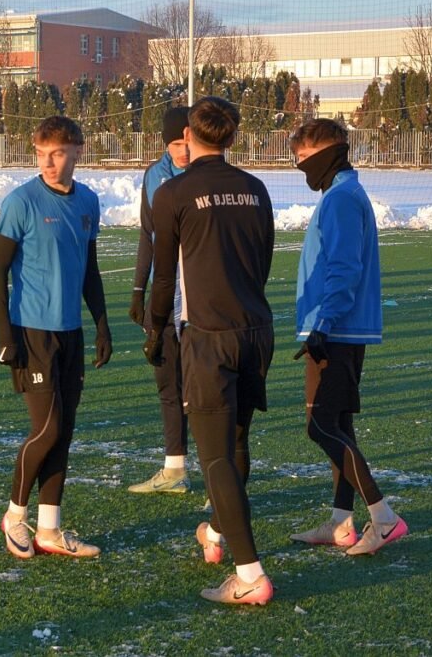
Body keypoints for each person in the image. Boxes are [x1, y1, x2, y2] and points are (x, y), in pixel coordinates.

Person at [144, 96, 274, 605]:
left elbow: (163, 278)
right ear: (232, 137)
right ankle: (217, 533)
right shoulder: (256, 188)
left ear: (188, 136)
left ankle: (250, 575)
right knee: (237, 441)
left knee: (215, 455)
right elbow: (262, 261)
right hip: (256, 330)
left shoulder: (173, 192)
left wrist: (156, 330)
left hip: (208, 336)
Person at [0, 115, 112, 559]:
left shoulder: (88, 202)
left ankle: (49, 529)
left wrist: (101, 324)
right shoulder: (21, 202)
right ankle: (14, 516)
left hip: (70, 332)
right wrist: (6, 335)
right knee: (47, 428)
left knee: (65, 432)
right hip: (32, 332)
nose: (48, 163)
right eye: (41, 154)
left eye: (57, 153)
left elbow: (90, 270)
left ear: (78, 150)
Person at [288, 118, 408, 555]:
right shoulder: (344, 193)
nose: (300, 167)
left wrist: (323, 324)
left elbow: (344, 268)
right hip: (341, 328)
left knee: (321, 426)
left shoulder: (340, 199)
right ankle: (342, 522)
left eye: (303, 158)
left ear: (326, 154)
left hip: (336, 330)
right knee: (339, 426)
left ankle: (384, 517)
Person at [128, 106, 192, 494]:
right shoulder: (154, 176)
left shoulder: (206, 175)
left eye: (188, 142)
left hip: (199, 295)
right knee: (167, 380)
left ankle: (224, 482)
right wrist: (139, 290)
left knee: (205, 389)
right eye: (176, 144)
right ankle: (174, 469)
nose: (183, 151)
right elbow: (147, 234)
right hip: (163, 293)